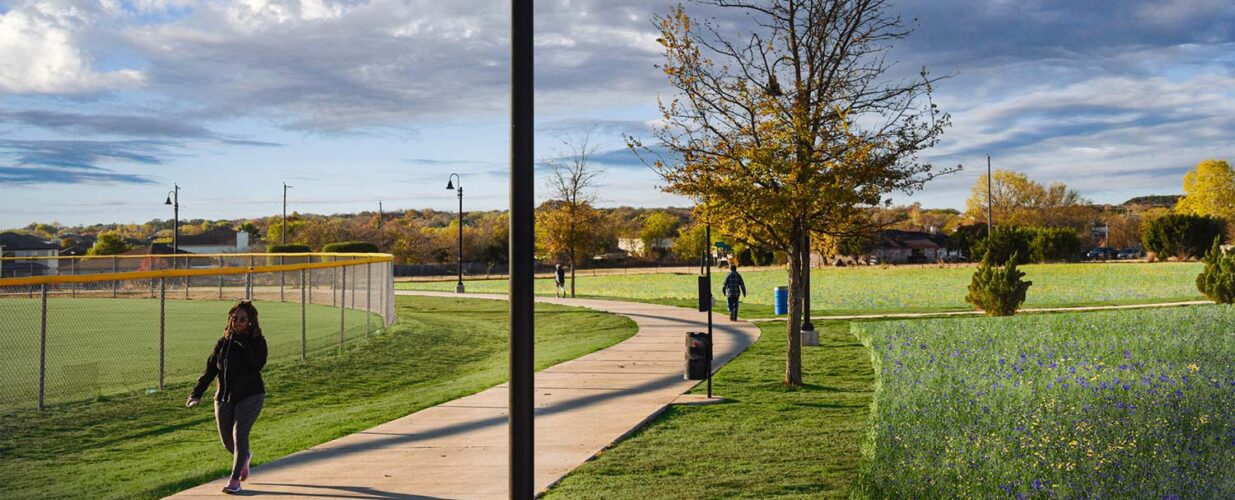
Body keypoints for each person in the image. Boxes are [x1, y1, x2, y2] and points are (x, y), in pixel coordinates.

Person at [186, 300, 268, 495]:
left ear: (250, 322)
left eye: (242, 319)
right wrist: (196, 394)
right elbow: (210, 371)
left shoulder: (257, 342)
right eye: (235, 318)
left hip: (251, 395)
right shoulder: (223, 344)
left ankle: (234, 480)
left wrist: (243, 343)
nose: (238, 322)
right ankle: (245, 456)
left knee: (240, 435)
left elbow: (257, 364)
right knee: (227, 442)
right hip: (224, 397)